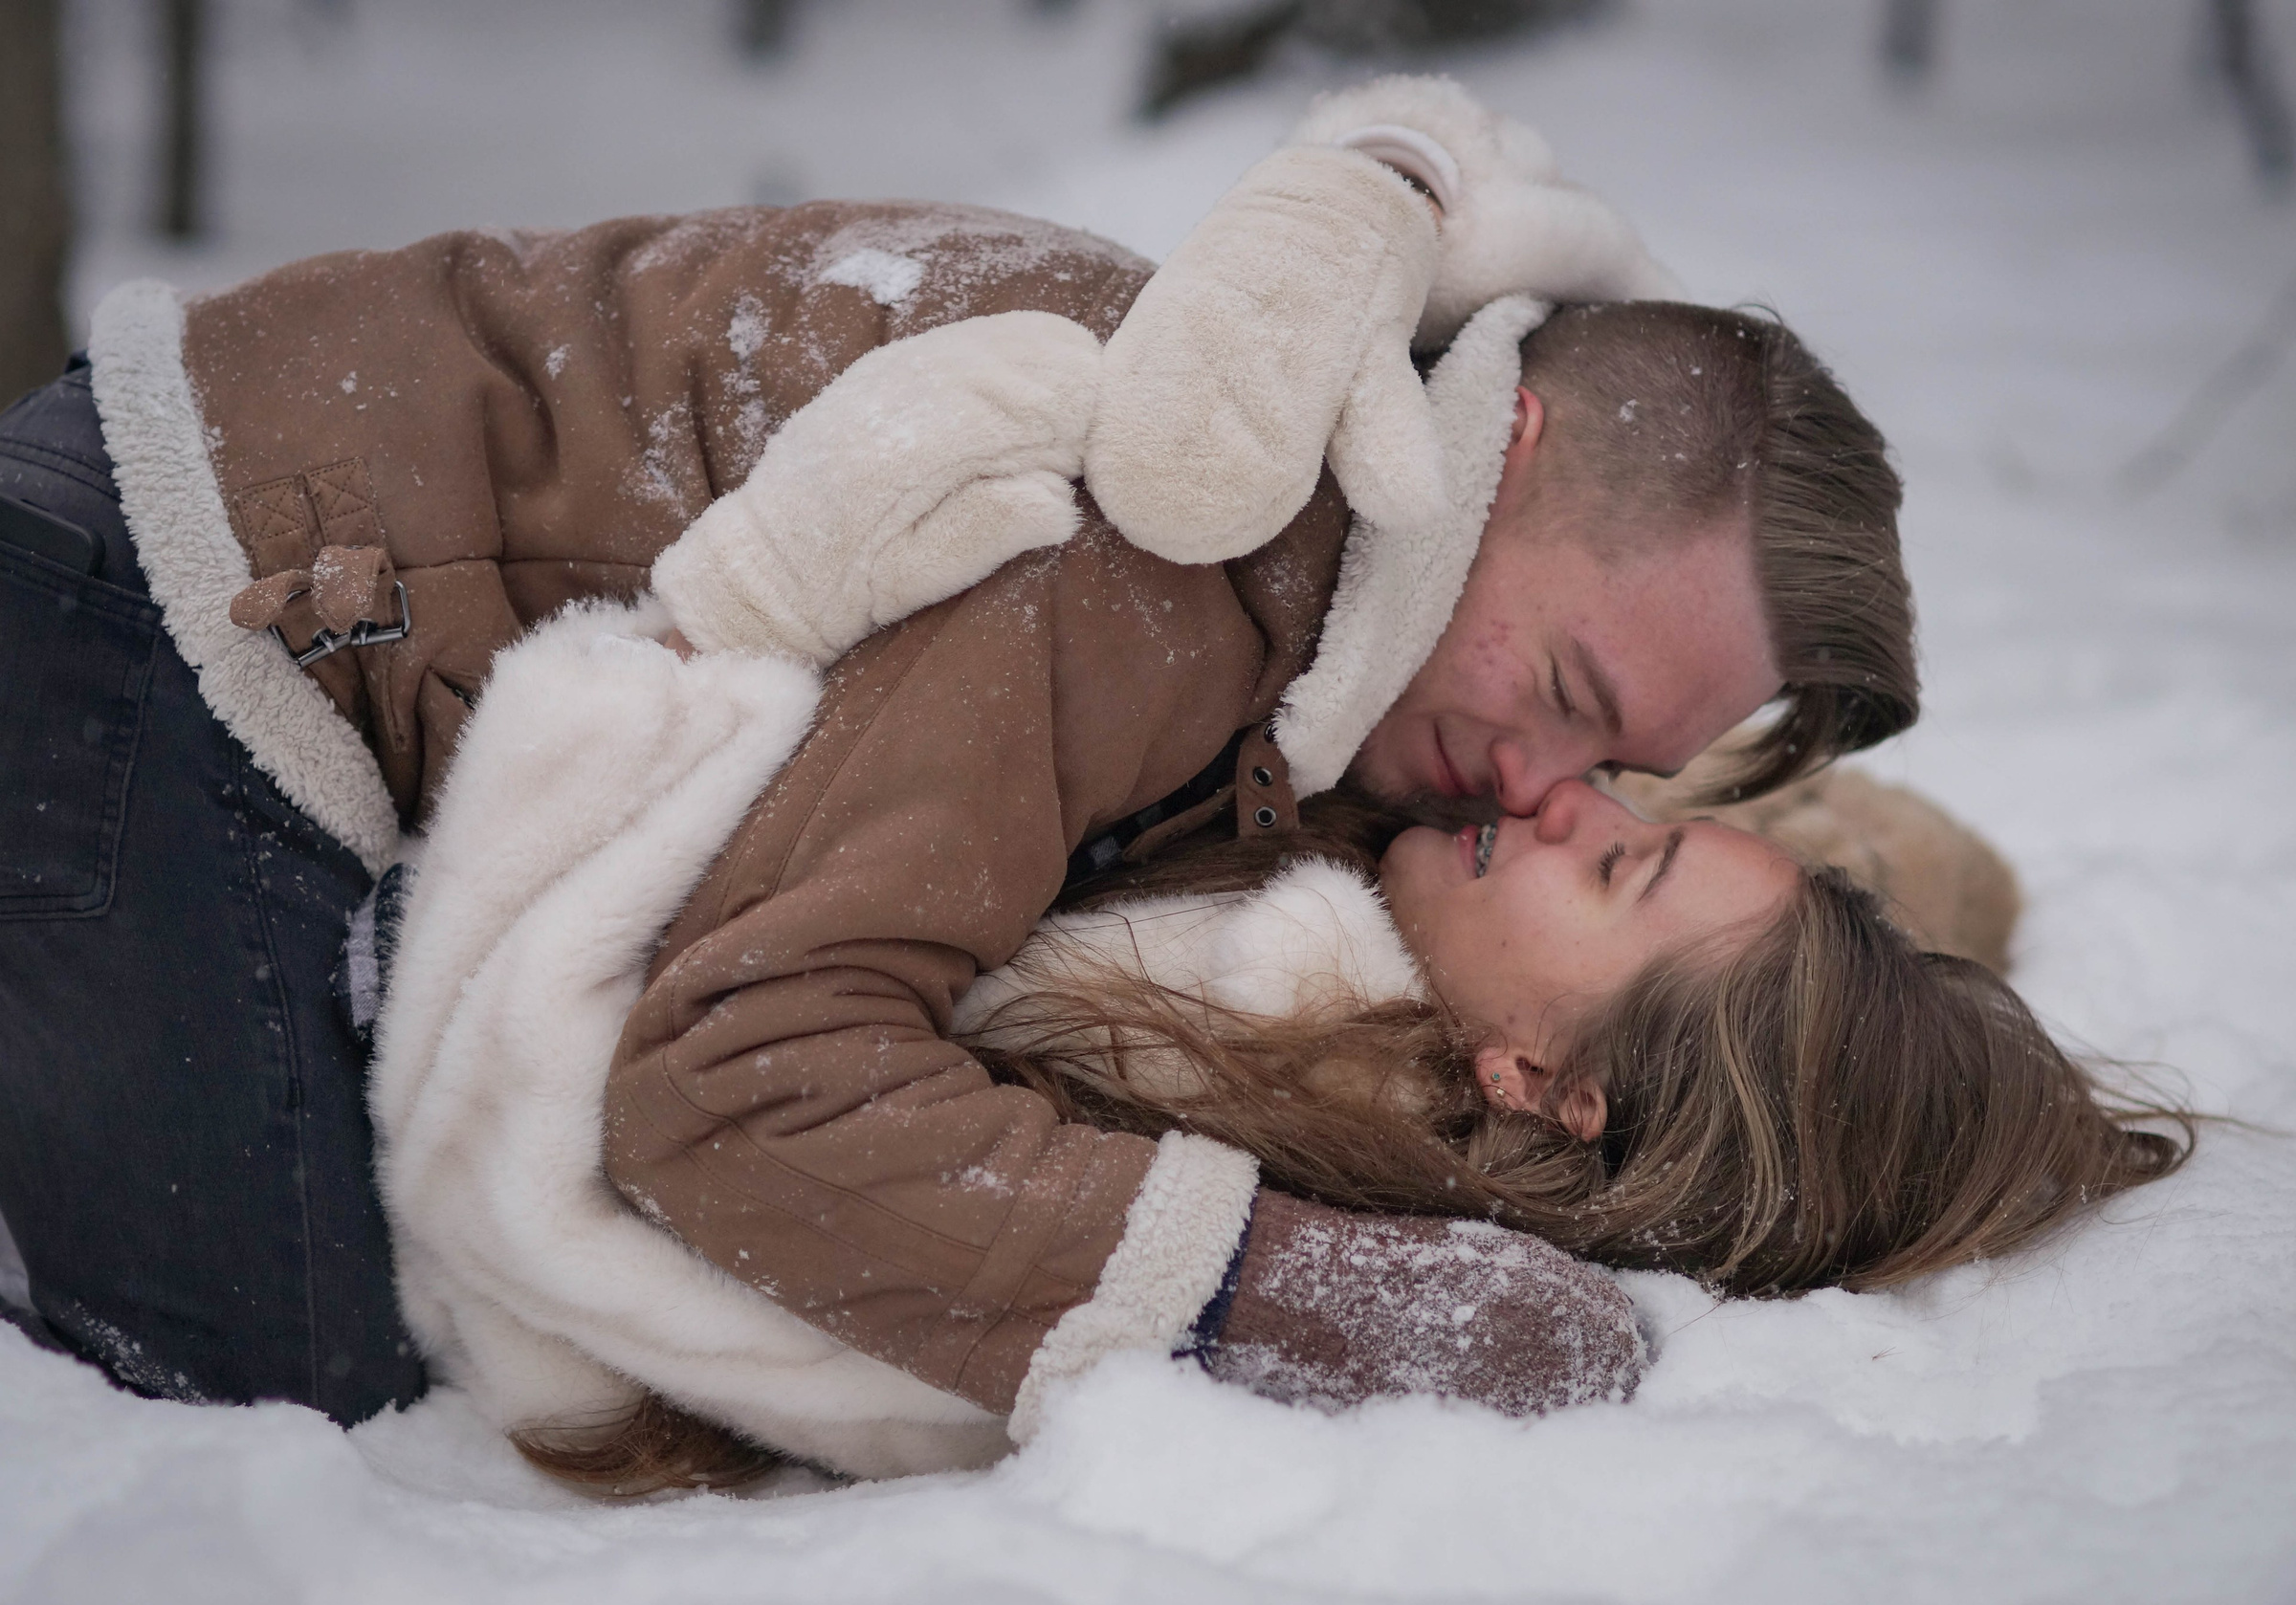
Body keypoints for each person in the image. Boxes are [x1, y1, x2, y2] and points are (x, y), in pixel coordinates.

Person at [0, 78, 1917, 1428]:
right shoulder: (1161, 535)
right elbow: (733, 1085)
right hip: (165, 624)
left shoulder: (1338, 548)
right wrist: (1290, 1290)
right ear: (1500, 446)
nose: (1531, 788)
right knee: (282, 1397)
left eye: (1624, 783)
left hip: (191, 583)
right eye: (1568, 699)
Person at [365, 600, 2185, 1491]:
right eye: (1627, 797)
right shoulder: (1439, 935)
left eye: (1618, 858)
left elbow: (720, 1092)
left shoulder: (1232, 1026)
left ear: (1544, 1084)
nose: (1565, 798)